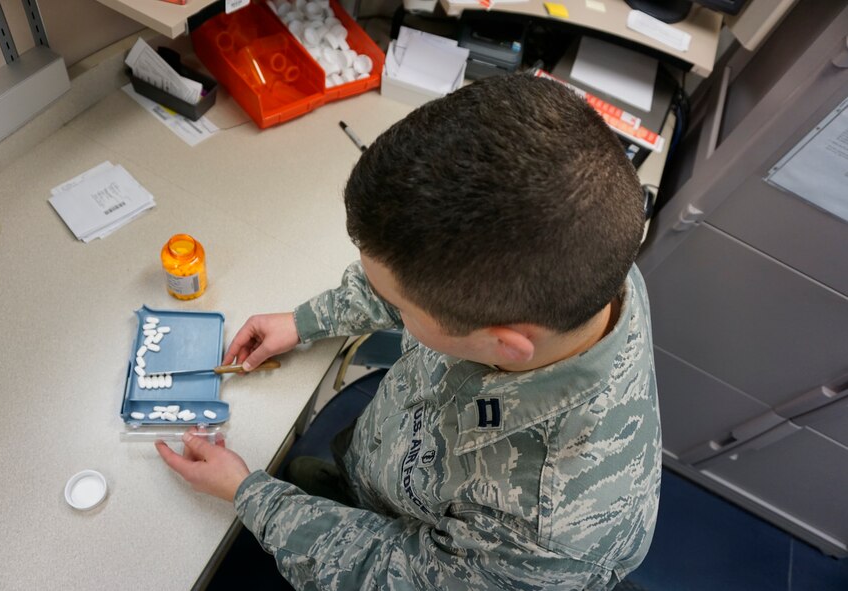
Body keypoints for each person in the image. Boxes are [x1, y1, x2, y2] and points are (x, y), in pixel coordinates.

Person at [156, 74, 661, 590]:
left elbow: (384, 573)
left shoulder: (544, 535)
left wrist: (249, 494)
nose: (388, 304)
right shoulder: (586, 258)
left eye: (399, 304)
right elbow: (421, 277)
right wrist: (305, 322)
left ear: (501, 344)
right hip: (389, 463)